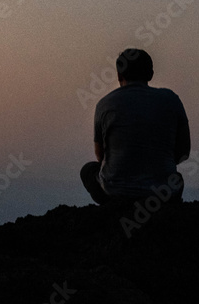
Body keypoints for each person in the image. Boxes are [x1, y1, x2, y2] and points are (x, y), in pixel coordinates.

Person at [80, 48, 190, 205]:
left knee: (88, 170)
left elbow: (101, 156)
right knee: (177, 179)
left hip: (117, 194)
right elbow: (184, 152)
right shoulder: (171, 100)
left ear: (119, 75)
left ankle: (115, 208)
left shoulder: (105, 104)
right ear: (150, 74)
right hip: (162, 194)